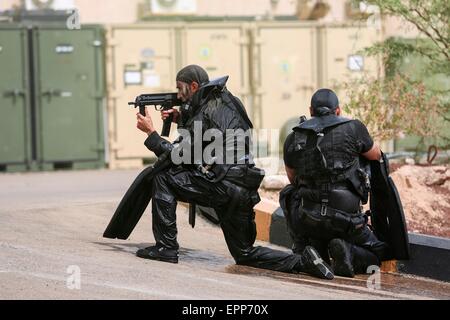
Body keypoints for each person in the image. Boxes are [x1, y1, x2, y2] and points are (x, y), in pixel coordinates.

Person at [134, 65, 334, 280]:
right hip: (243, 186)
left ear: (193, 86)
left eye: (180, 89)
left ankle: (166, 248)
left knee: (163, 178)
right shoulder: (229, 101)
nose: (179, 95)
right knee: (245, 253)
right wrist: (181, 118)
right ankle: (304, 261)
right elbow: (214, 132)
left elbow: (179, 155)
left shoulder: (204, 111)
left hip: (221, 185)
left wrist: (152, 133)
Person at [280, 88, 391, 278]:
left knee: (288, 192)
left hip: (309, 218)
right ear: (338, 111)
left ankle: (306, 248)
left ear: (311, 111)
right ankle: (349, 252)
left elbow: (293, 179)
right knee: (378, 253)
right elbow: (376, 155)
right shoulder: (354, 128)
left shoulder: (294, 137)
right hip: (347, 220)